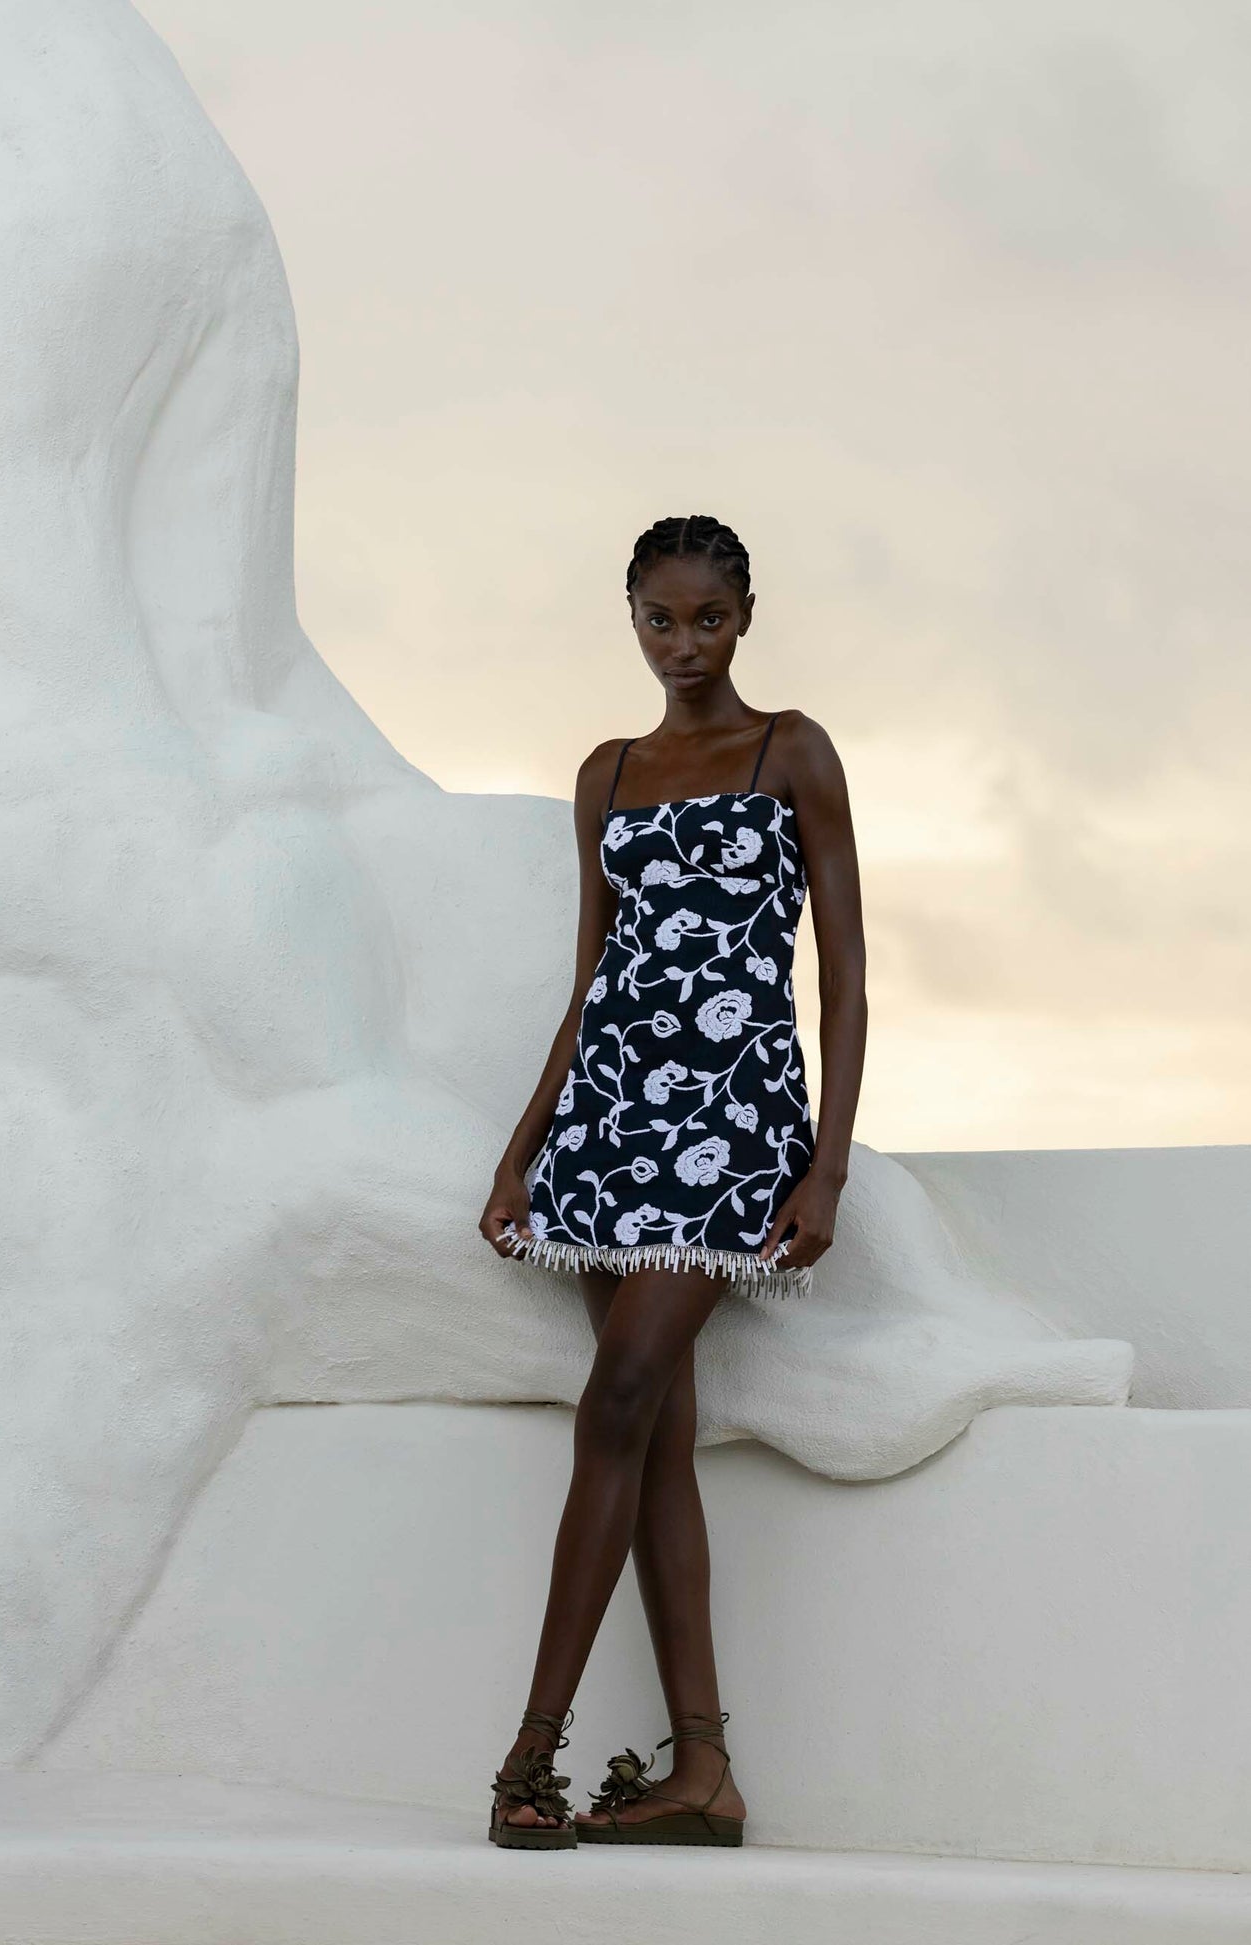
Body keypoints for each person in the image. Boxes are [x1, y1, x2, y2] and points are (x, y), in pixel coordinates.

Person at [478, 512, 866, 1850]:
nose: (684, 641)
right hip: (609, 1123)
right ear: (631, 616)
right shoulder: (610, 771)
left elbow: (847, 976)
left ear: (747, 613)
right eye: (661, 617)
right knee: (655, 1443)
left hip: (738, 1121)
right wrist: (524, 1146)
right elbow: (592, 980)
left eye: (708, 617)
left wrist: (825, 1166)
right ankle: (703, 1770)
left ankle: (531, 1752)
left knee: (623, 1393)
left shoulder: (790, 748)